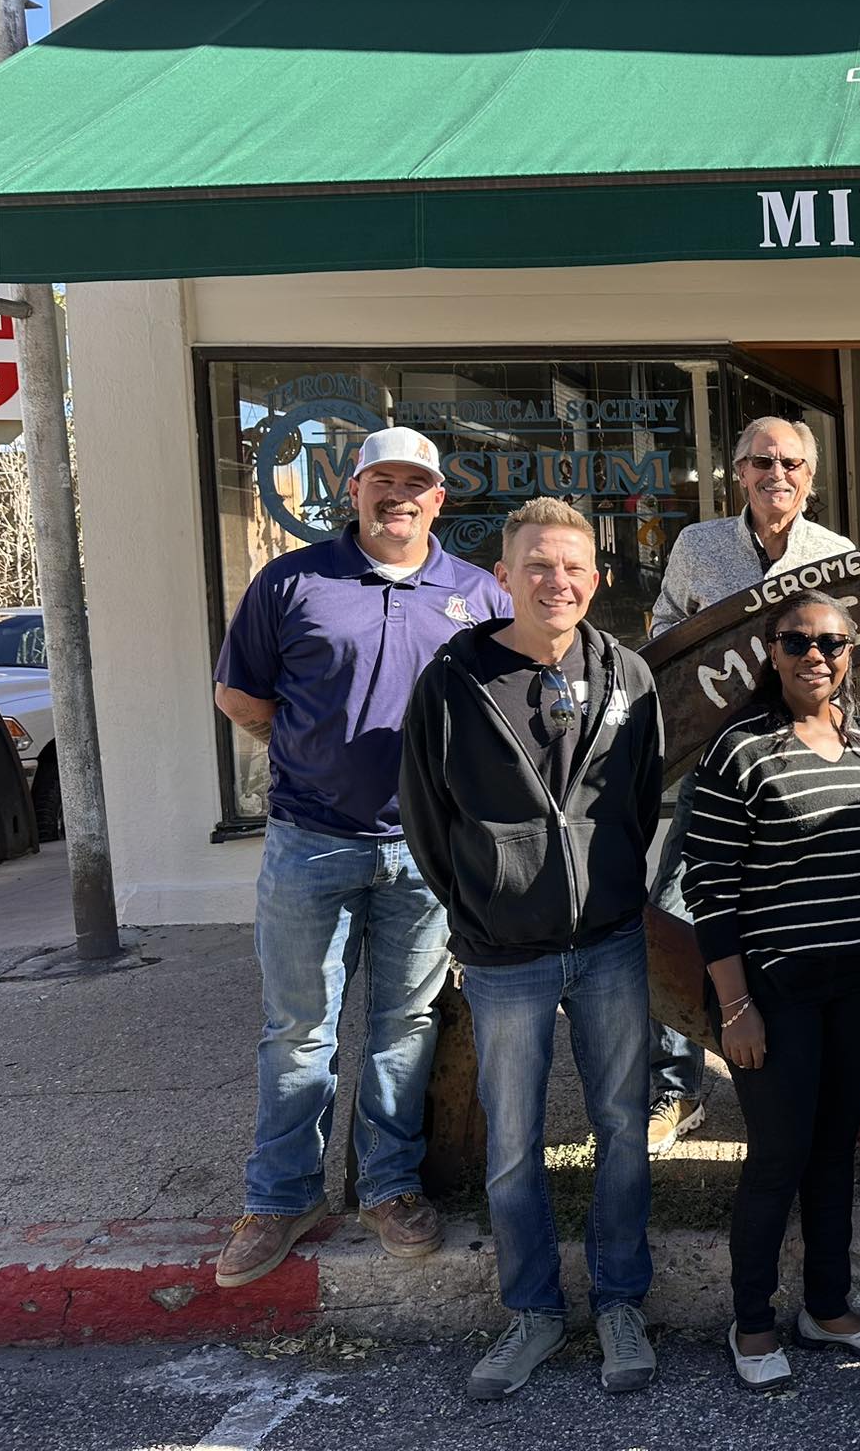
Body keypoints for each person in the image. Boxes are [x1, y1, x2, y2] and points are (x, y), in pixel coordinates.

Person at [210, 426, 510, 1289]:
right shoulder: (292, 581)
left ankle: (387, 1186)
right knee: (299, 1029)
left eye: (416, 482)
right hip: (310, 841)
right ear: (353, 489)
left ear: (439, 499)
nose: (398, 496)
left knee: (402, 1028)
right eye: (382, 480)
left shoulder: (477, 593)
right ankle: (282, 1196)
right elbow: (240, 695)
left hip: (425, 852)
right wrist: (310, 754)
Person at [400, 497, 665, 1400]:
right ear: (503, 579)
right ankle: (535, 1313)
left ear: (597, 578)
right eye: (538, 567)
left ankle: (621, 1301)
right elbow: (427, 819)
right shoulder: (453, 680)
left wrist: (611, 885)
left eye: (574, 567)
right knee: (513, 1145)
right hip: (504, 953)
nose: (558, 582)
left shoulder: (626, 671)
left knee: (623, 1130)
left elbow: (636, 800)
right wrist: (481, 905)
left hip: (610, 944)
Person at [682, 590, 860, 1392]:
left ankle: (827, 1307)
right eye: (796, 642)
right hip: (776, 987)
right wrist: (735, 1006)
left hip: (859, 975)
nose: (815, 656)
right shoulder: (739, 749)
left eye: (831, 642)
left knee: (834, 1150)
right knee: (778, 1156)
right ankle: (752, 1320)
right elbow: (708, 885)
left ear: (850, 652)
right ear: (772, 654)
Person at [643, 415, 856, 1153]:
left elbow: (857, 663)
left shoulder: (837, 554)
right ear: (737, 471)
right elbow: (662, 640)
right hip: (716, 767)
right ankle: (675, 1091)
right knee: (672, 910)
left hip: (804, 768)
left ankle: (811, 1070)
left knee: (811, 916)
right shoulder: (700, 547)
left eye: (792, 463)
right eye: (762, 461)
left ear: (811, 476)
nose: (778, 474)